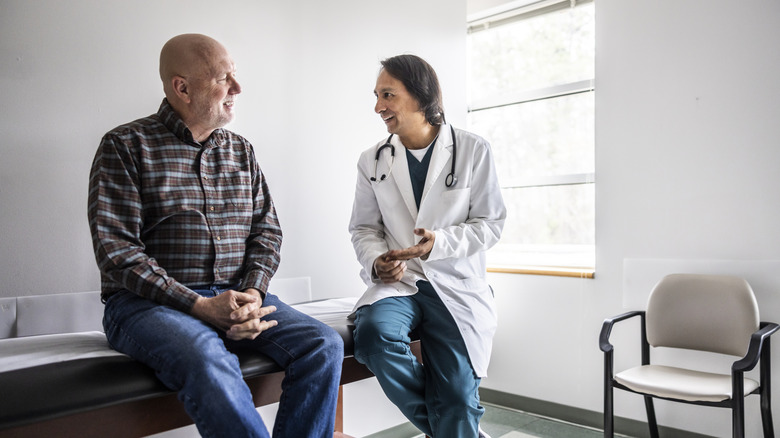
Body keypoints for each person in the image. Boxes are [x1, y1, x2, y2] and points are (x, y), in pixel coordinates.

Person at [88, 33, 343, 438]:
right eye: (224, 78)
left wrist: (254, 296)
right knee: (207, 357)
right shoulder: (125, 145)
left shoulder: (241, 151)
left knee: (323, 345)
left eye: (235, 76)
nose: (237, 88)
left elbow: (267, 231)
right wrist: (201, 306)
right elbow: (117, 252)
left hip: (237, 293)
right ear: (182, 87)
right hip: (145, 305)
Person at [349, 54, 507, 438]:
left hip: (455, 284)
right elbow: (363, 228)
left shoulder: (472, 150)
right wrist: (376, 263)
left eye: (388, 95)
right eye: (377, 95)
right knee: (373, 335)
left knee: (455, 396)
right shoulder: (372, 160)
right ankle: (456, 428)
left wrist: (440, 243)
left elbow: (491, 224)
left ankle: (454, 422)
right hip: (402, 284)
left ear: (421, 96)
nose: (378, 106)